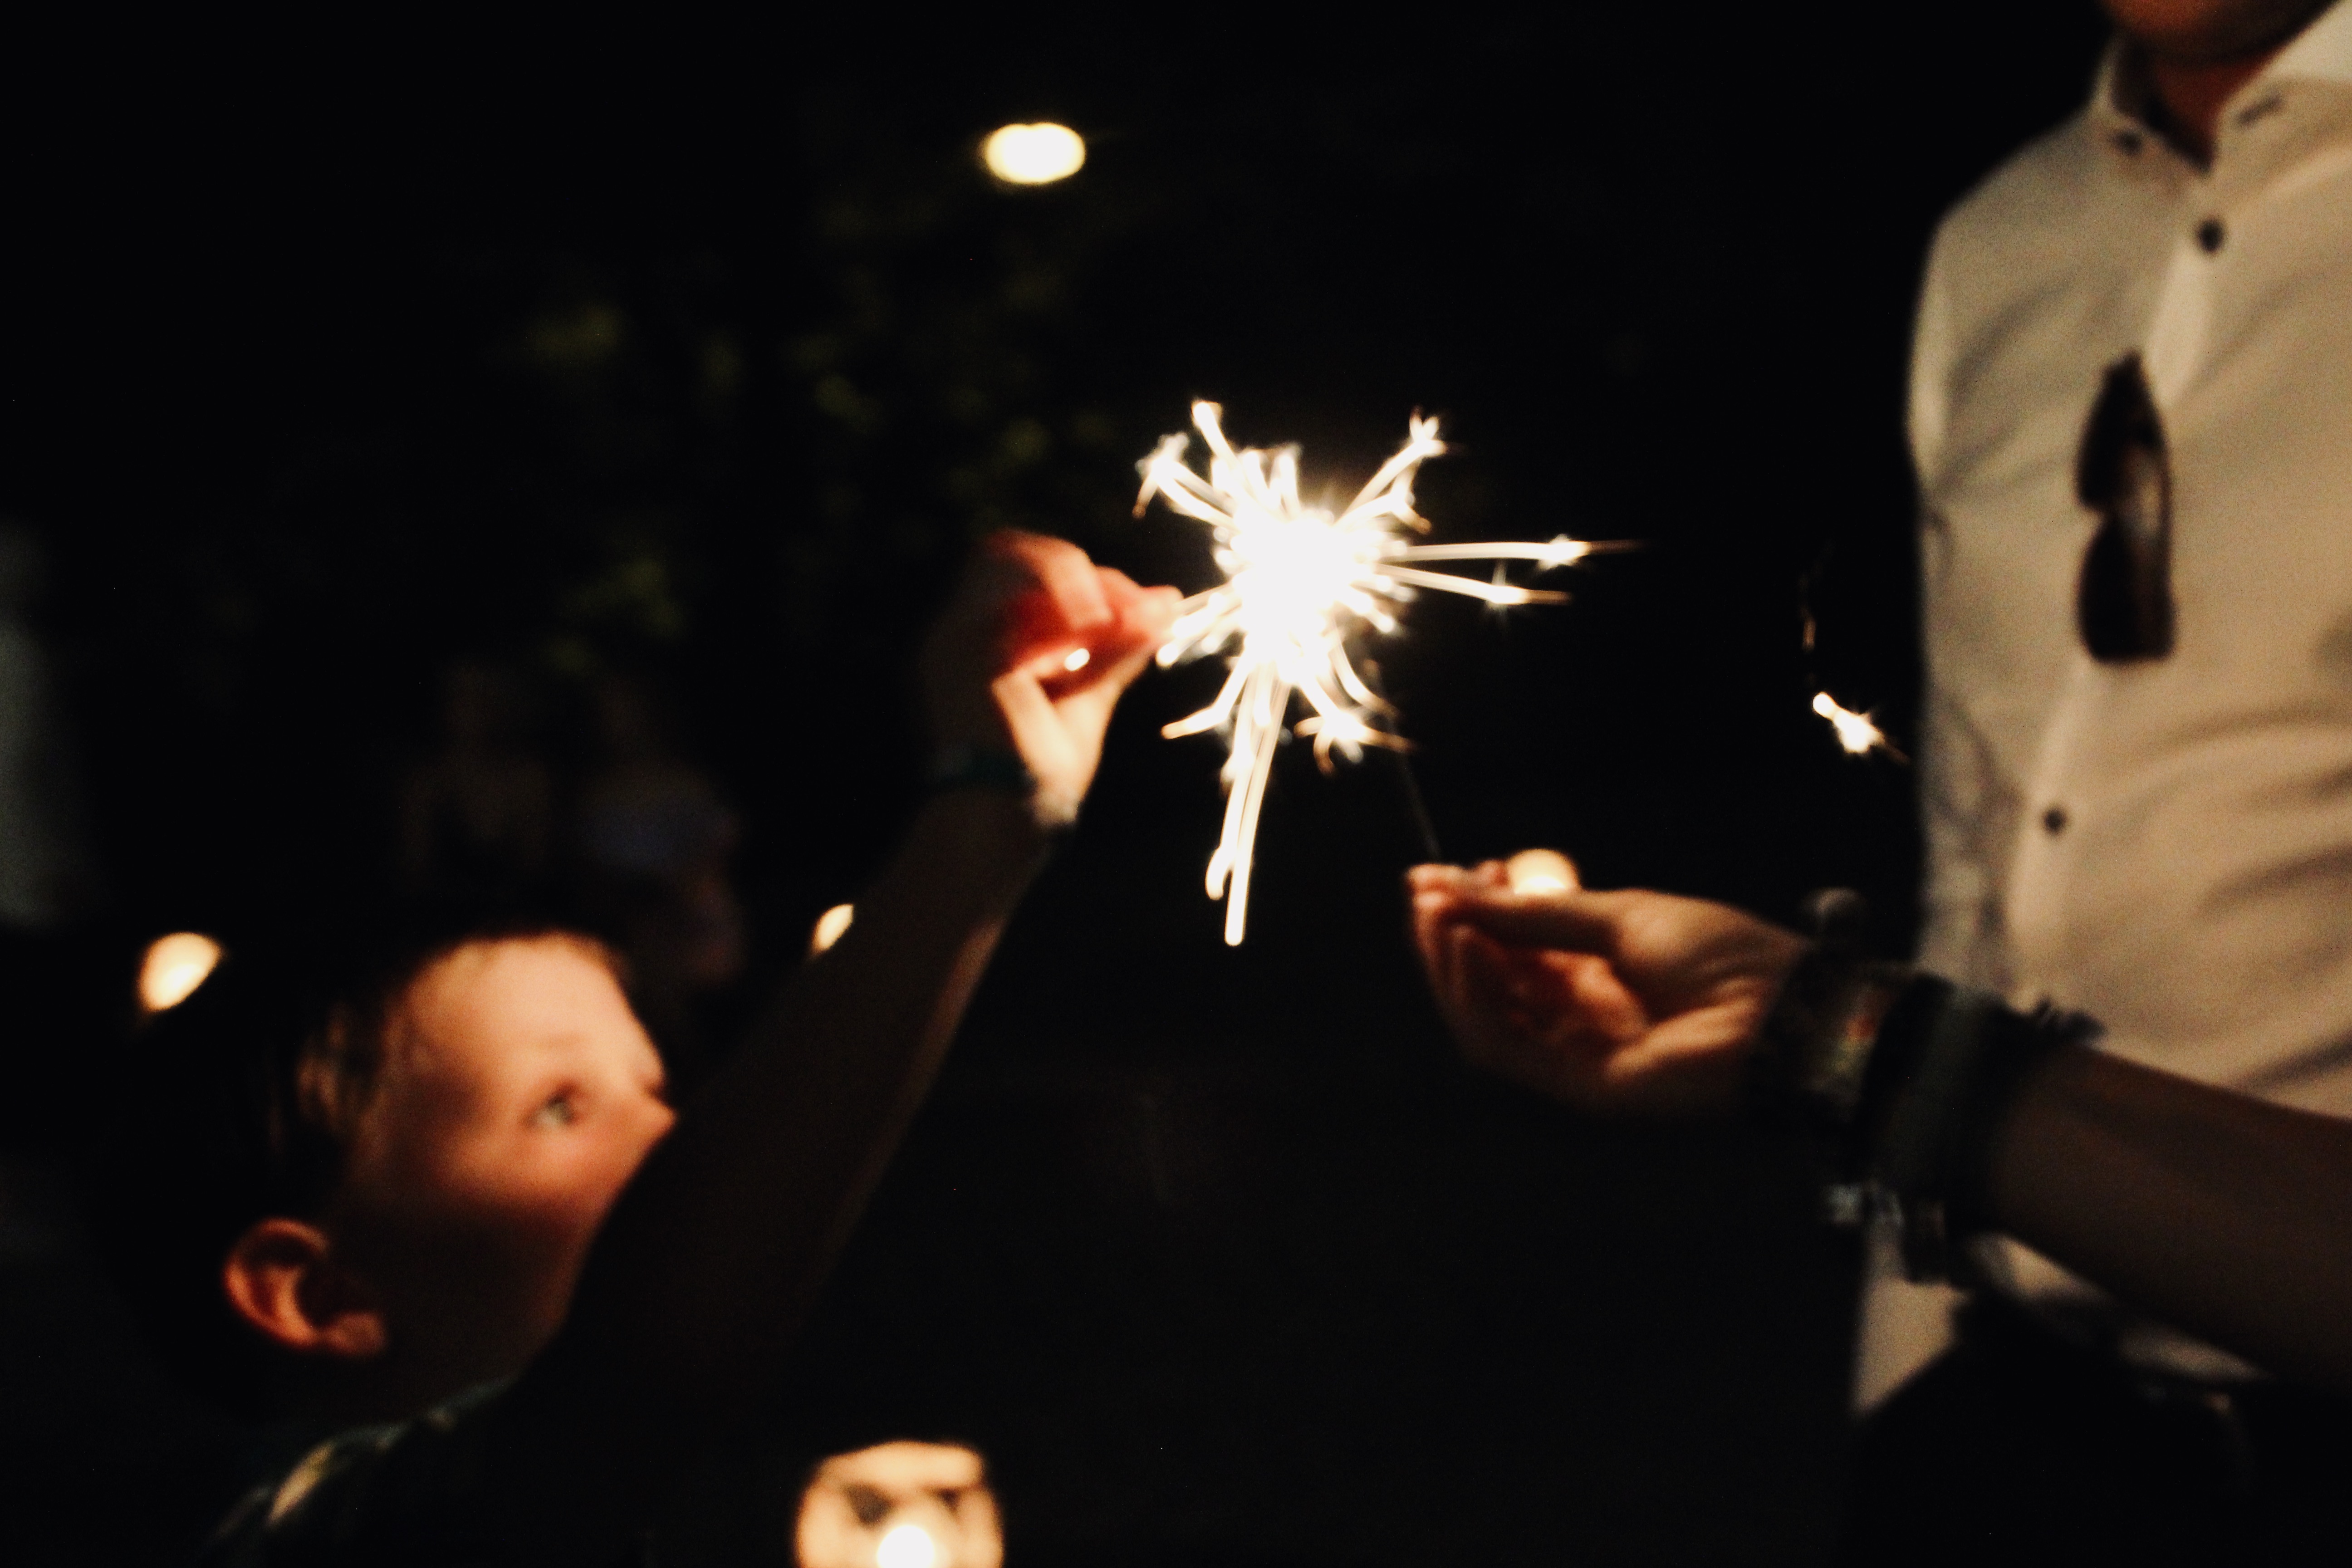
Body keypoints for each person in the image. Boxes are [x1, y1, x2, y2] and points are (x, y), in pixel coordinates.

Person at [1411, 0, 2352, 1559]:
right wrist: (1902, 1379)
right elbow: (1985, 873)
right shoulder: (2004, 239)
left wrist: (1820, 1035)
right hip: (1997, 1435)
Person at [94, 530, 1176, 1566]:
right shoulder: (321, 1531)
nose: (673, 1131)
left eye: (655, 1086)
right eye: (560, 1105)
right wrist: (984, 808)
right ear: (321, 1296)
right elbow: (656, 1355)